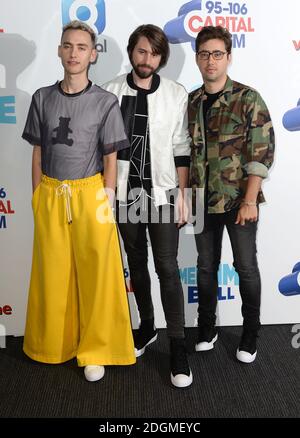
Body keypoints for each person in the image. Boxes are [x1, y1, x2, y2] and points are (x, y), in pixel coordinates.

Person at [22, 20, 135, 381]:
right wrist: (38, 193)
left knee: (98, 276)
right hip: (52, 194)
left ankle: (97, 349)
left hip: (91, 193)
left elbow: (110, 157)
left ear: (93, 54)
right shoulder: (42, 97)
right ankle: (53, 344)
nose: (74, 53)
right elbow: (38, 151)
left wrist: (108, 197)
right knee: (52, 273)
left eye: (81, 47)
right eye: (68, 46)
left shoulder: (105, 101)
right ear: (59, 50)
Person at [102, 25, 192, 387]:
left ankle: (178, 345)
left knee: (168, 270)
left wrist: (184, 196)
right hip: (126, 196)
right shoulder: (109, 91)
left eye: (154, 54)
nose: (147, 60)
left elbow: (181, 147)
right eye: (141, 52)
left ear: (161, 58)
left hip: (164, 196)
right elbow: (104, 149)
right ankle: (147, 326)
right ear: (131, 52)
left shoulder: (175, 93)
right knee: (136, 265)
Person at [189, 26, 275, 363]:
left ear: (228, 57)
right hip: (201, 200)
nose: (211, 61)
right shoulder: (192, 101)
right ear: (198, 58)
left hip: (240, 201)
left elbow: (262, 152)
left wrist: (250, 200)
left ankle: (250, 333)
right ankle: (207, 328)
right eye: (205, 54)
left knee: (246, 267)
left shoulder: (247, 98)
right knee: (206, 268)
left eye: (217, 54)